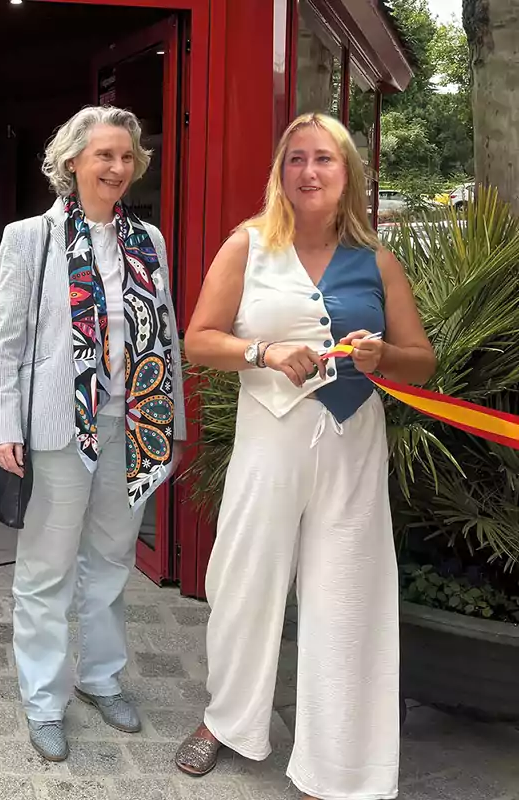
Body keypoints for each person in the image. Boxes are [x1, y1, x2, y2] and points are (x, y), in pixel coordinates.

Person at [175, 113, 435, 799]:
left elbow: (423, 363)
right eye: (296, 159)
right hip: (271, 435)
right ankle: (225, 721)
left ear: (347, 173)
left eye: (323, 159)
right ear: (280, 172)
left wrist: (384, 356)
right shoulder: (248, 247)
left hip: (353, 442)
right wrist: (262, 351)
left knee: (347, 596)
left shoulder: (378, 260)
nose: (309, 172)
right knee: (244, 583)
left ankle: (339, 761)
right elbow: (199, 340)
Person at [0, 105, 186, 762]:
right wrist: (1, 426)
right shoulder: (29, 238)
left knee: (111, 560)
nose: (118, 168)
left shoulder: (147, 241)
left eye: (127, 157)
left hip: (131, 422)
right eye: (104, 155)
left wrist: (171, 424)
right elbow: (6, 342)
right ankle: (44, 698)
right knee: (45, 568)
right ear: (72, 161)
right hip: (56, 425)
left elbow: (166, 335)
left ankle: (99, 676)